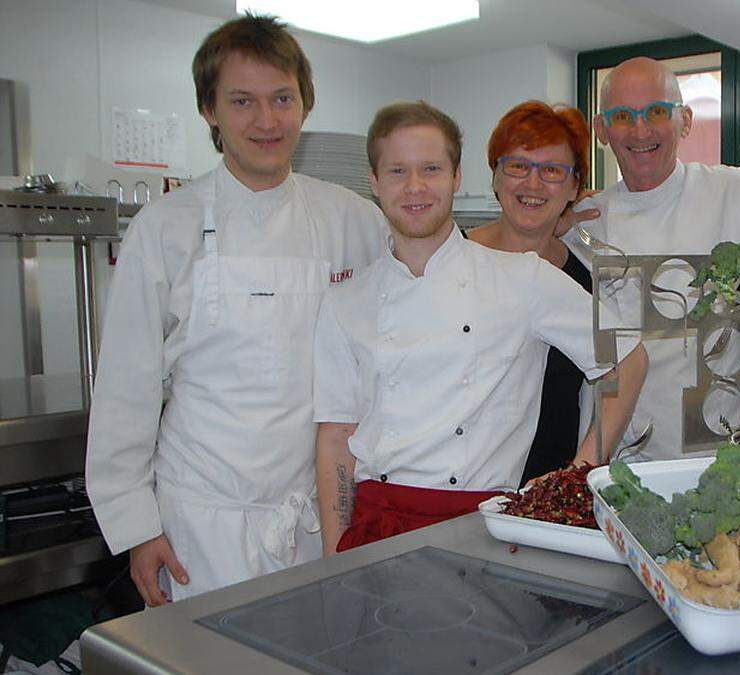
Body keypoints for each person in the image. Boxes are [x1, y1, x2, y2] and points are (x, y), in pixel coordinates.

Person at [84, 14, 387, 606]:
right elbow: (127, 386)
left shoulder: (354, 220)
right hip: (200, 520)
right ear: (210, 111)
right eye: (243, 100)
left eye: (282, 98)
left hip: (317, 516)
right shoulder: (166, 227)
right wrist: (137, 527)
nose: (267, 120)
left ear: (305, 105)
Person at [313, 101, 647, 555]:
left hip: (481, 525)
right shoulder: (345, 300)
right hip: (377, 526)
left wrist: (580, 472)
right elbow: (335, 438)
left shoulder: (523, 278)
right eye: (396, 171)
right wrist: (334, 552)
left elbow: (627, 358)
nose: (414, 187)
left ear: (456, 178)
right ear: (374, 182)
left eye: (430, 168)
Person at [560, 56, 740, 461]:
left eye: (657, 111)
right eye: (622, 115)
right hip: (614, 454)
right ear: (601, 130)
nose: (640, 129)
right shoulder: (584, 222)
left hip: (712, 455)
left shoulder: (739, 194)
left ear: (686, 120)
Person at [468, 101, 600, 484]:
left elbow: (619, 374)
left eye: (552, 171)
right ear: (495, 176)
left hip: (548, 493)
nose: (533, 183)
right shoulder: (451, 263)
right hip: (458, 490)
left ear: (575, 186)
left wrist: (579, 472)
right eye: (518, 166)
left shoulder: (585, 279)